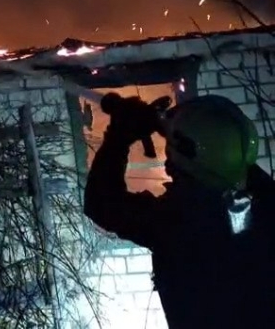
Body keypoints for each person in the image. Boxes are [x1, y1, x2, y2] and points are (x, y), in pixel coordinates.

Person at [84, 94, 275, 329]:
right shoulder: (261, 209)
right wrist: (175, 131)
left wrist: (120, 135)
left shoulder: (180, 220)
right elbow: (226, 162)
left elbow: (102, 203)